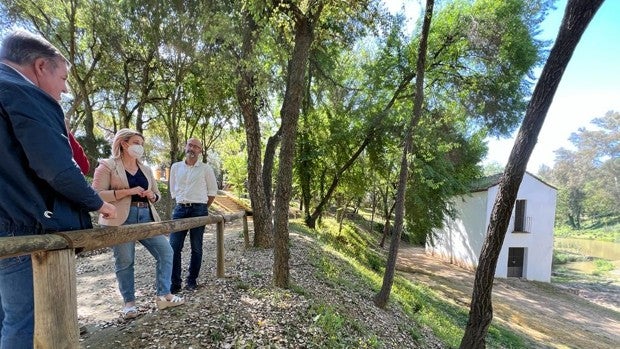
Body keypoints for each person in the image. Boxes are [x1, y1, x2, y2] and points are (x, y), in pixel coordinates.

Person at [0, 29, 116, 348]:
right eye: (63, 78)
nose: (64, 89)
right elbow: (55, 165)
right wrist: (97, 203)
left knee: (6, 317)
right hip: (19, 224)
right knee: (24, 322)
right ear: (41, 66)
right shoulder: (24, 92)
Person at [91, 128, 184, 319]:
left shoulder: (146, 169)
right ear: (124, 144)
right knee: (125, 261)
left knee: (166, 252)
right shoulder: (108, 165)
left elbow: (157, 195)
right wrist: (127, 191)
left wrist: (152, 195)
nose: (139, 147)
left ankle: (163, 294)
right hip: (120, 219)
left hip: (147, 216)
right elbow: (95, 195)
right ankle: (129, 304)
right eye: (136, 143)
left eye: (141, 144)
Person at [169, 138, 218, 293]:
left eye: (196, 147)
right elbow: (173, 189)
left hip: (199, 209)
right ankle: (175, 283)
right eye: (190, 145)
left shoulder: (205, 169)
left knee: (196, 247)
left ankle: (192, 281)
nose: (192, 148)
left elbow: (212, 192)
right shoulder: (176, 167)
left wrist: (202, 207)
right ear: (185, 147)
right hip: (180, 209)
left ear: (200, 151)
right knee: (173, 247)